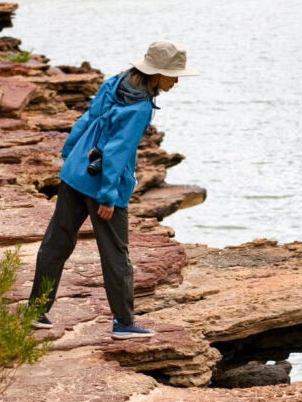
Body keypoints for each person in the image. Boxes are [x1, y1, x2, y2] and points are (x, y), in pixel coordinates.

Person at [29, 40, 199, 339]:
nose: (176, 81)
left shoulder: (116, 81)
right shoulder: (141, 107)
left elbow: (87, 119)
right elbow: (119, 150)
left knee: (57, 242)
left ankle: (35, 311)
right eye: (174, 75)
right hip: (102, 184)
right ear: (156, 74)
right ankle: (123, 323)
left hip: (76, 173)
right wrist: (107, 195)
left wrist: (71, 154)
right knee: (116, 254)